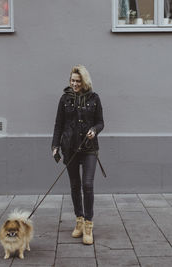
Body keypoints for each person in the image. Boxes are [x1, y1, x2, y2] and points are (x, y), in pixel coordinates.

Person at [51, 64, 104, 245]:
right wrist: (55, 145)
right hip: (70, 148)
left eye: (78, 81)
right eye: (72, 80)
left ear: (84, 81)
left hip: (89, 148)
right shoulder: (64, 99)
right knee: (75, 185)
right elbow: (59, 124)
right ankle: (79, 221)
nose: (74, 84)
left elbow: (100, 122)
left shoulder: (94, 98)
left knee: (87, 185)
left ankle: (88, 225)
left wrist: (94, 130)